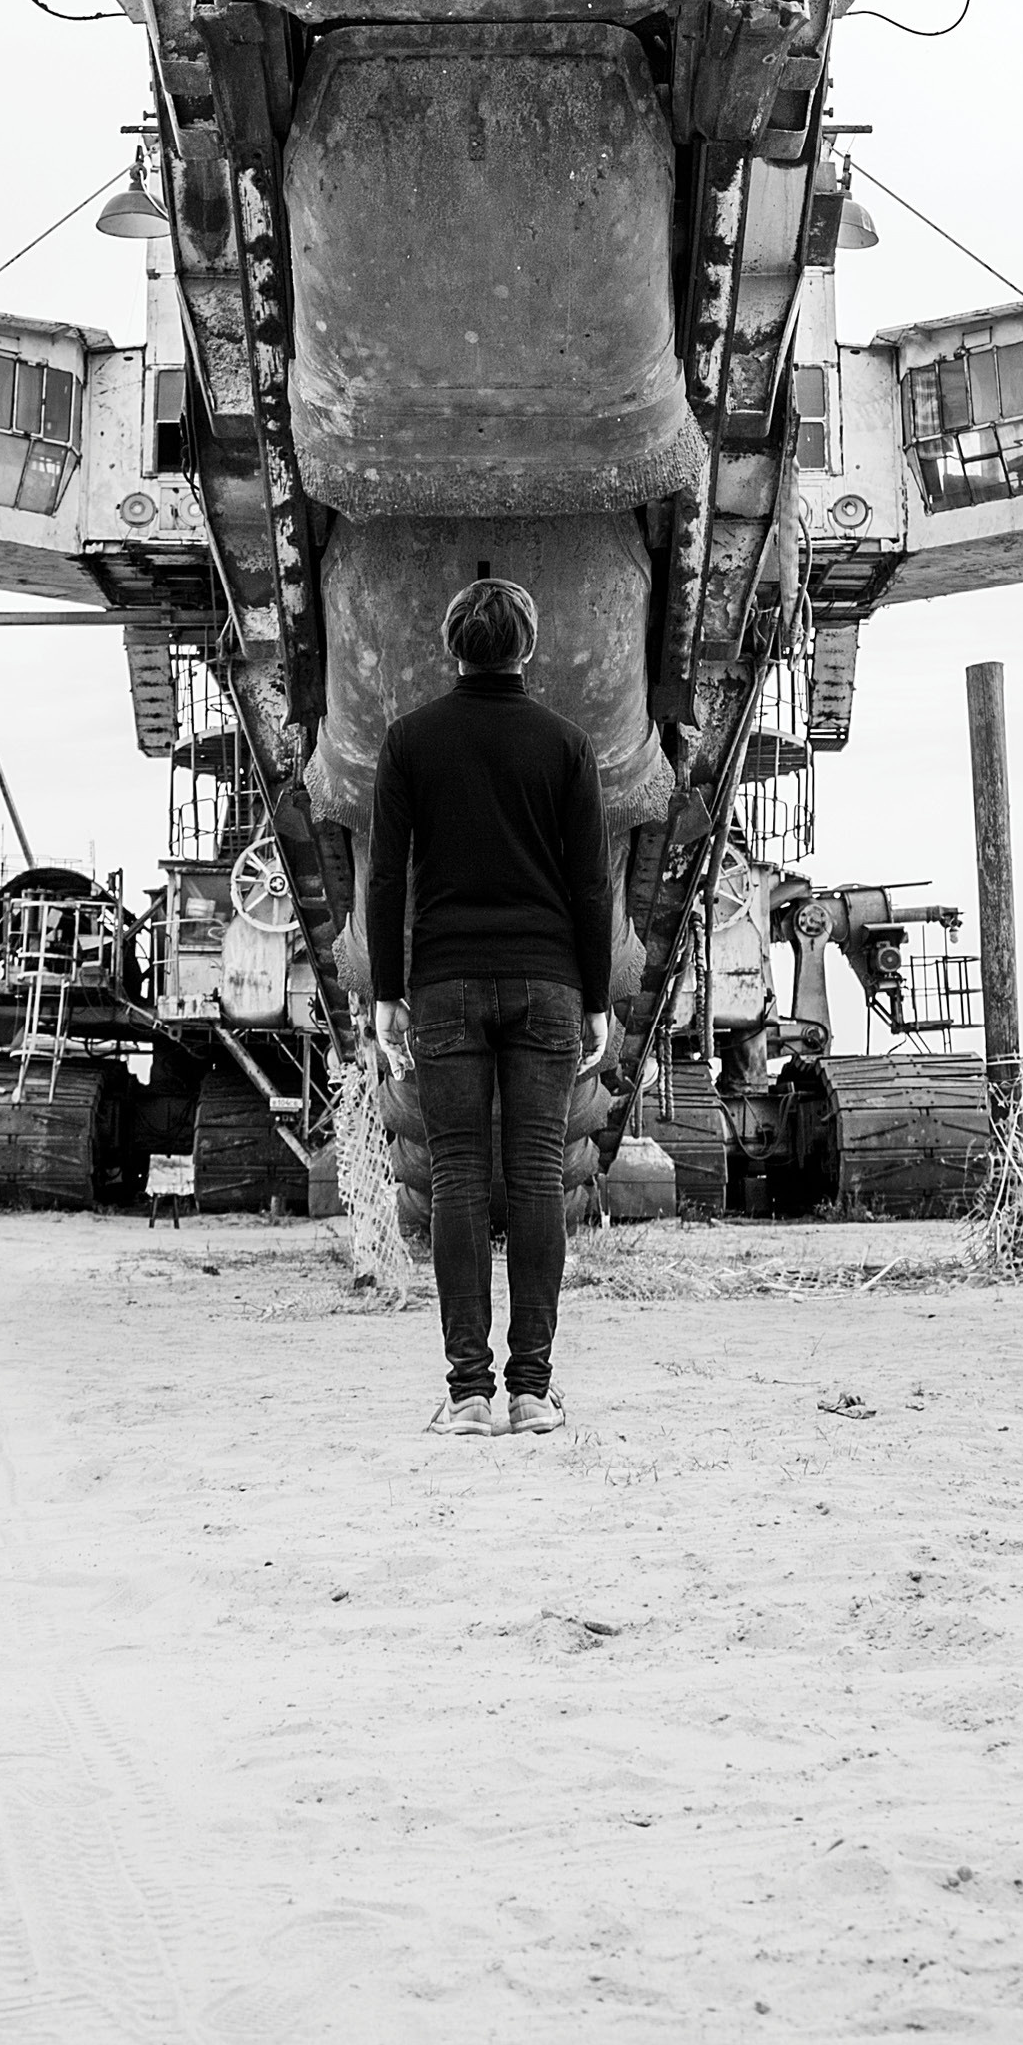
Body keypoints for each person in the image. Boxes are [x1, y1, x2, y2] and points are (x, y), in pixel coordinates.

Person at [368, 578, 614, 1437]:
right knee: (539, 1172)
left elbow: (387, 876)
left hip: (444, 984)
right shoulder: (567, 745)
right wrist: (597, 995)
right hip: (548, 981)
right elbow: (590, 882)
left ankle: (469, 1394)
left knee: (460, 1179)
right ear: (529, 646)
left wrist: (386, 994)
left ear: (452, 646)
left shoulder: (409, 743)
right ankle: (533, 1393)